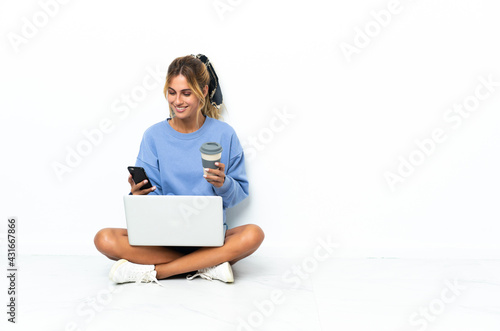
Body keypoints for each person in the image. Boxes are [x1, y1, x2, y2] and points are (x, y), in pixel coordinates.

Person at [94, 54, 264, 284]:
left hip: (209, 239)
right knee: (104, 238)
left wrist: (223, 183)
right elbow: (150, 197)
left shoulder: (224, 134)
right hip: (163, 239)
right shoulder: (153, 136)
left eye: (186, 93)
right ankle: (206, 265)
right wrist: (138, 195)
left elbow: (239, 193)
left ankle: (158, 272)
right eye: (172, 92)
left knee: (254, 234)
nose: (178, 101)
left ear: (203, 91)